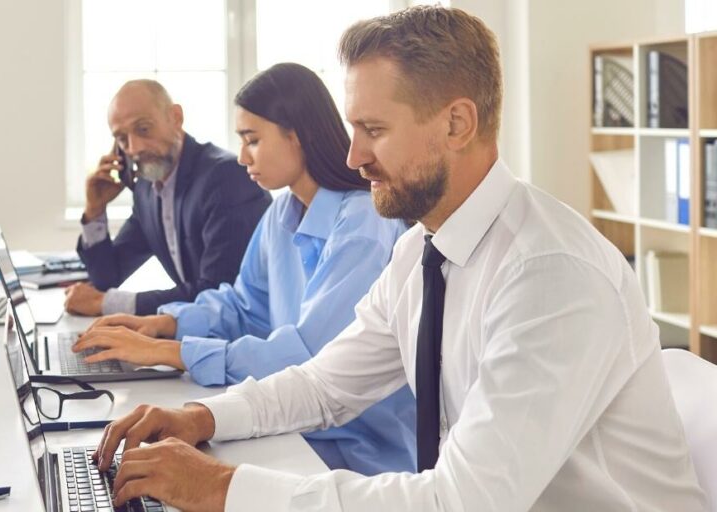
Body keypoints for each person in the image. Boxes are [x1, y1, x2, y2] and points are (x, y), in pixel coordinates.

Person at [88, 6, 709, 512]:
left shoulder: (550, 274)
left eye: (374, 130)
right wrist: (198, 417)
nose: (353, 156)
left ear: (457, 123)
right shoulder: (423, 250)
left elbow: (464, 501)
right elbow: (325, 384)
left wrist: (222, 488)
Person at [73, 63, 416, 476]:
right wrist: (163, 324)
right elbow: (243, 306)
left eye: (252, 140)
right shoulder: (282, 213)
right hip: (289, 426)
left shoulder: (363, 224)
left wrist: (174, 352)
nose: (241, 156)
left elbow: (311, 359)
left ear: (298, 135)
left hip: (356, 449)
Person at [66, 80, 271, 317]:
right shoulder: (146, 188)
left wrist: (108, 304)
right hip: (200, 332)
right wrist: (95, 209)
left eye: (143, 129)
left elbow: (216, 292)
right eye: (122, 138)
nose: (134, 148)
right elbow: (107, 278)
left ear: (175, 117)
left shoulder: (226, 178)